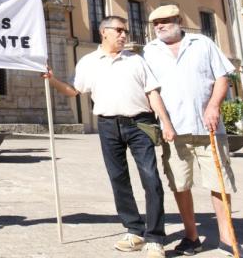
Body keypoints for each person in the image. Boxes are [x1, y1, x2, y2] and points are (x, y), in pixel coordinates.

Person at [44, 15, 176, 258]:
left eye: (125, 31)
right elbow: (74, 90)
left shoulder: (136, 60)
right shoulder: (88, 62)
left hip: (140, 124)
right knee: (118, 179)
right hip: (107, 125)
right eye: (119, 30)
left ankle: (155, 238)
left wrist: (166, 123)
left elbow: (153, 94)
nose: (124, 35)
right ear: (103, 32)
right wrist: (52, 80)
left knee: (151, 179)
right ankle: (135, 230)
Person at [144, 5, 243, 257]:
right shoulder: (150, 51)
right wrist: (165, 123)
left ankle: (227, 239)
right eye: (156, 22)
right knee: (180, 184)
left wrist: (214, 106)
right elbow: (152, 91)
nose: (160, 25)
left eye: (165, 21)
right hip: (174, 130)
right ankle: (191, 236)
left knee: (219, 183)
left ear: (179, 20)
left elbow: (223, 77)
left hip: (209, 128)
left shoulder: (202, 43)